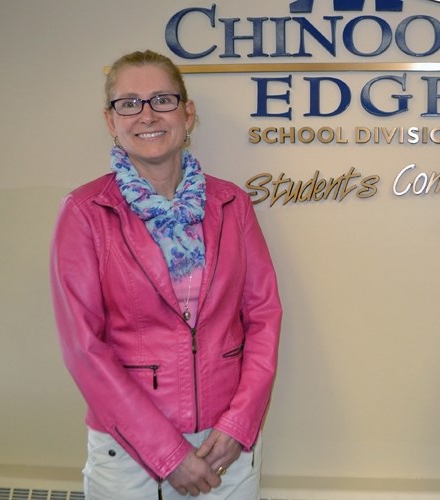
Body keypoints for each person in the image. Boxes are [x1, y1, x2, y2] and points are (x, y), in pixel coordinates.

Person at [50, 50, 282, 499]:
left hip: (225, 446)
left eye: (162, 99)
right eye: (129, 103)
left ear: (187, 113)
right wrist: (167, 454)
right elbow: (83, 347)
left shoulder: (231, 203)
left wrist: (239, 424)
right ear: (110, 120)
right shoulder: (84, 212)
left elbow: (263, 316)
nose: (147, 115)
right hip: (129, 450)